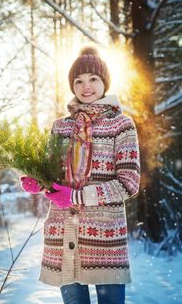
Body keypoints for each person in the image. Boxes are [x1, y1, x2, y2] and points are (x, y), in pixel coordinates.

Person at [20, 46, 140, 304]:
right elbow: (52, 179)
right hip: (64, 235)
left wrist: (76, 196)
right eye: (79, 81)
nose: (86, 86)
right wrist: (38, 183)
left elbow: (128, 184)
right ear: (72, 86)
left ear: (105, 82)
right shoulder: (60, 126)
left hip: (104, 238)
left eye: (93, 79)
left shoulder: (121, 125)